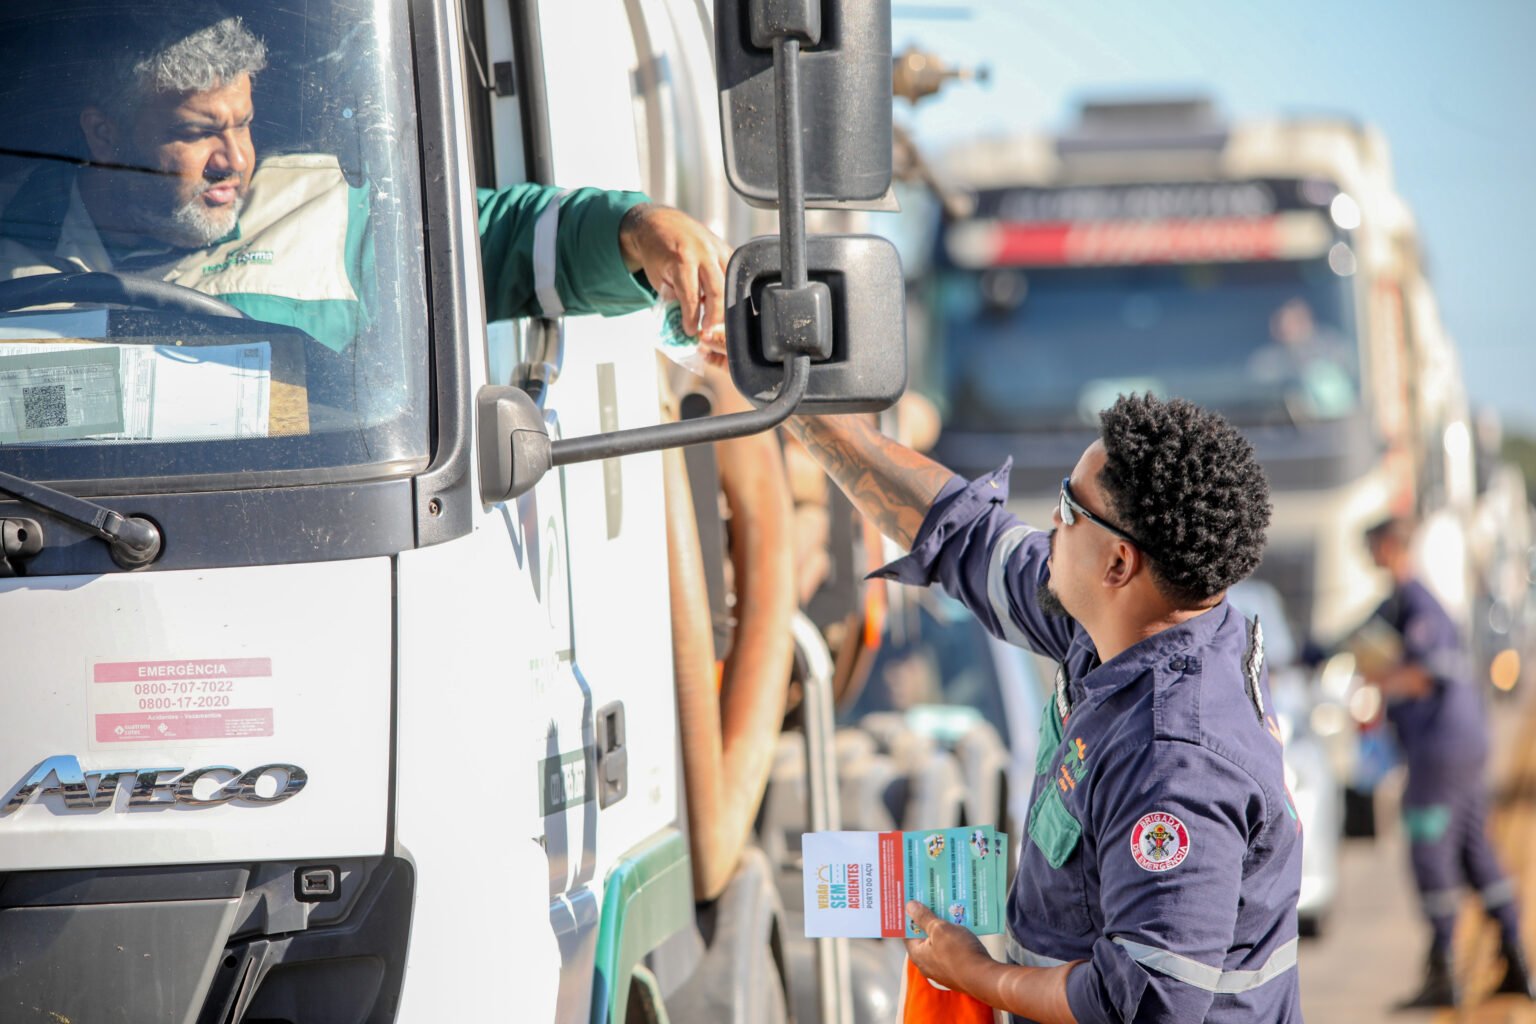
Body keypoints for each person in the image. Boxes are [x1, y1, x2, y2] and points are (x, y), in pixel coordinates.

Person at [784, 393, 1302, 1023]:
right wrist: (799, 408)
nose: (1051, 521)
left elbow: (1142, 1004)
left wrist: (977, 975)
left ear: (1118, 562)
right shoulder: (1125, 626)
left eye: (1068, 506)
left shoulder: (1175, 763)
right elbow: (964, 536)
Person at [0, 12, 729, 357]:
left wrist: (636, 230)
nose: (235, 161)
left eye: (244, 124)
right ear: (103, 135)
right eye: (197, 133)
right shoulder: (12, 240)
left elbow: (500, 239)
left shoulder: (323, 207)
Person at [1357, 516, 1533, 1008]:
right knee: (1476, 850)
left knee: (1430, 853)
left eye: (1371, 545)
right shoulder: (1397, 604)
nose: (1367, 555)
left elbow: (1421, 676)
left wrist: (1376, 682)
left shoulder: (1416, 602)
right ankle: (1516, 959)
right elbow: (1349, 638)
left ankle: (1445, 973)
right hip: (1462, 746)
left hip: (1442, 749)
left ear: (1391, 547)